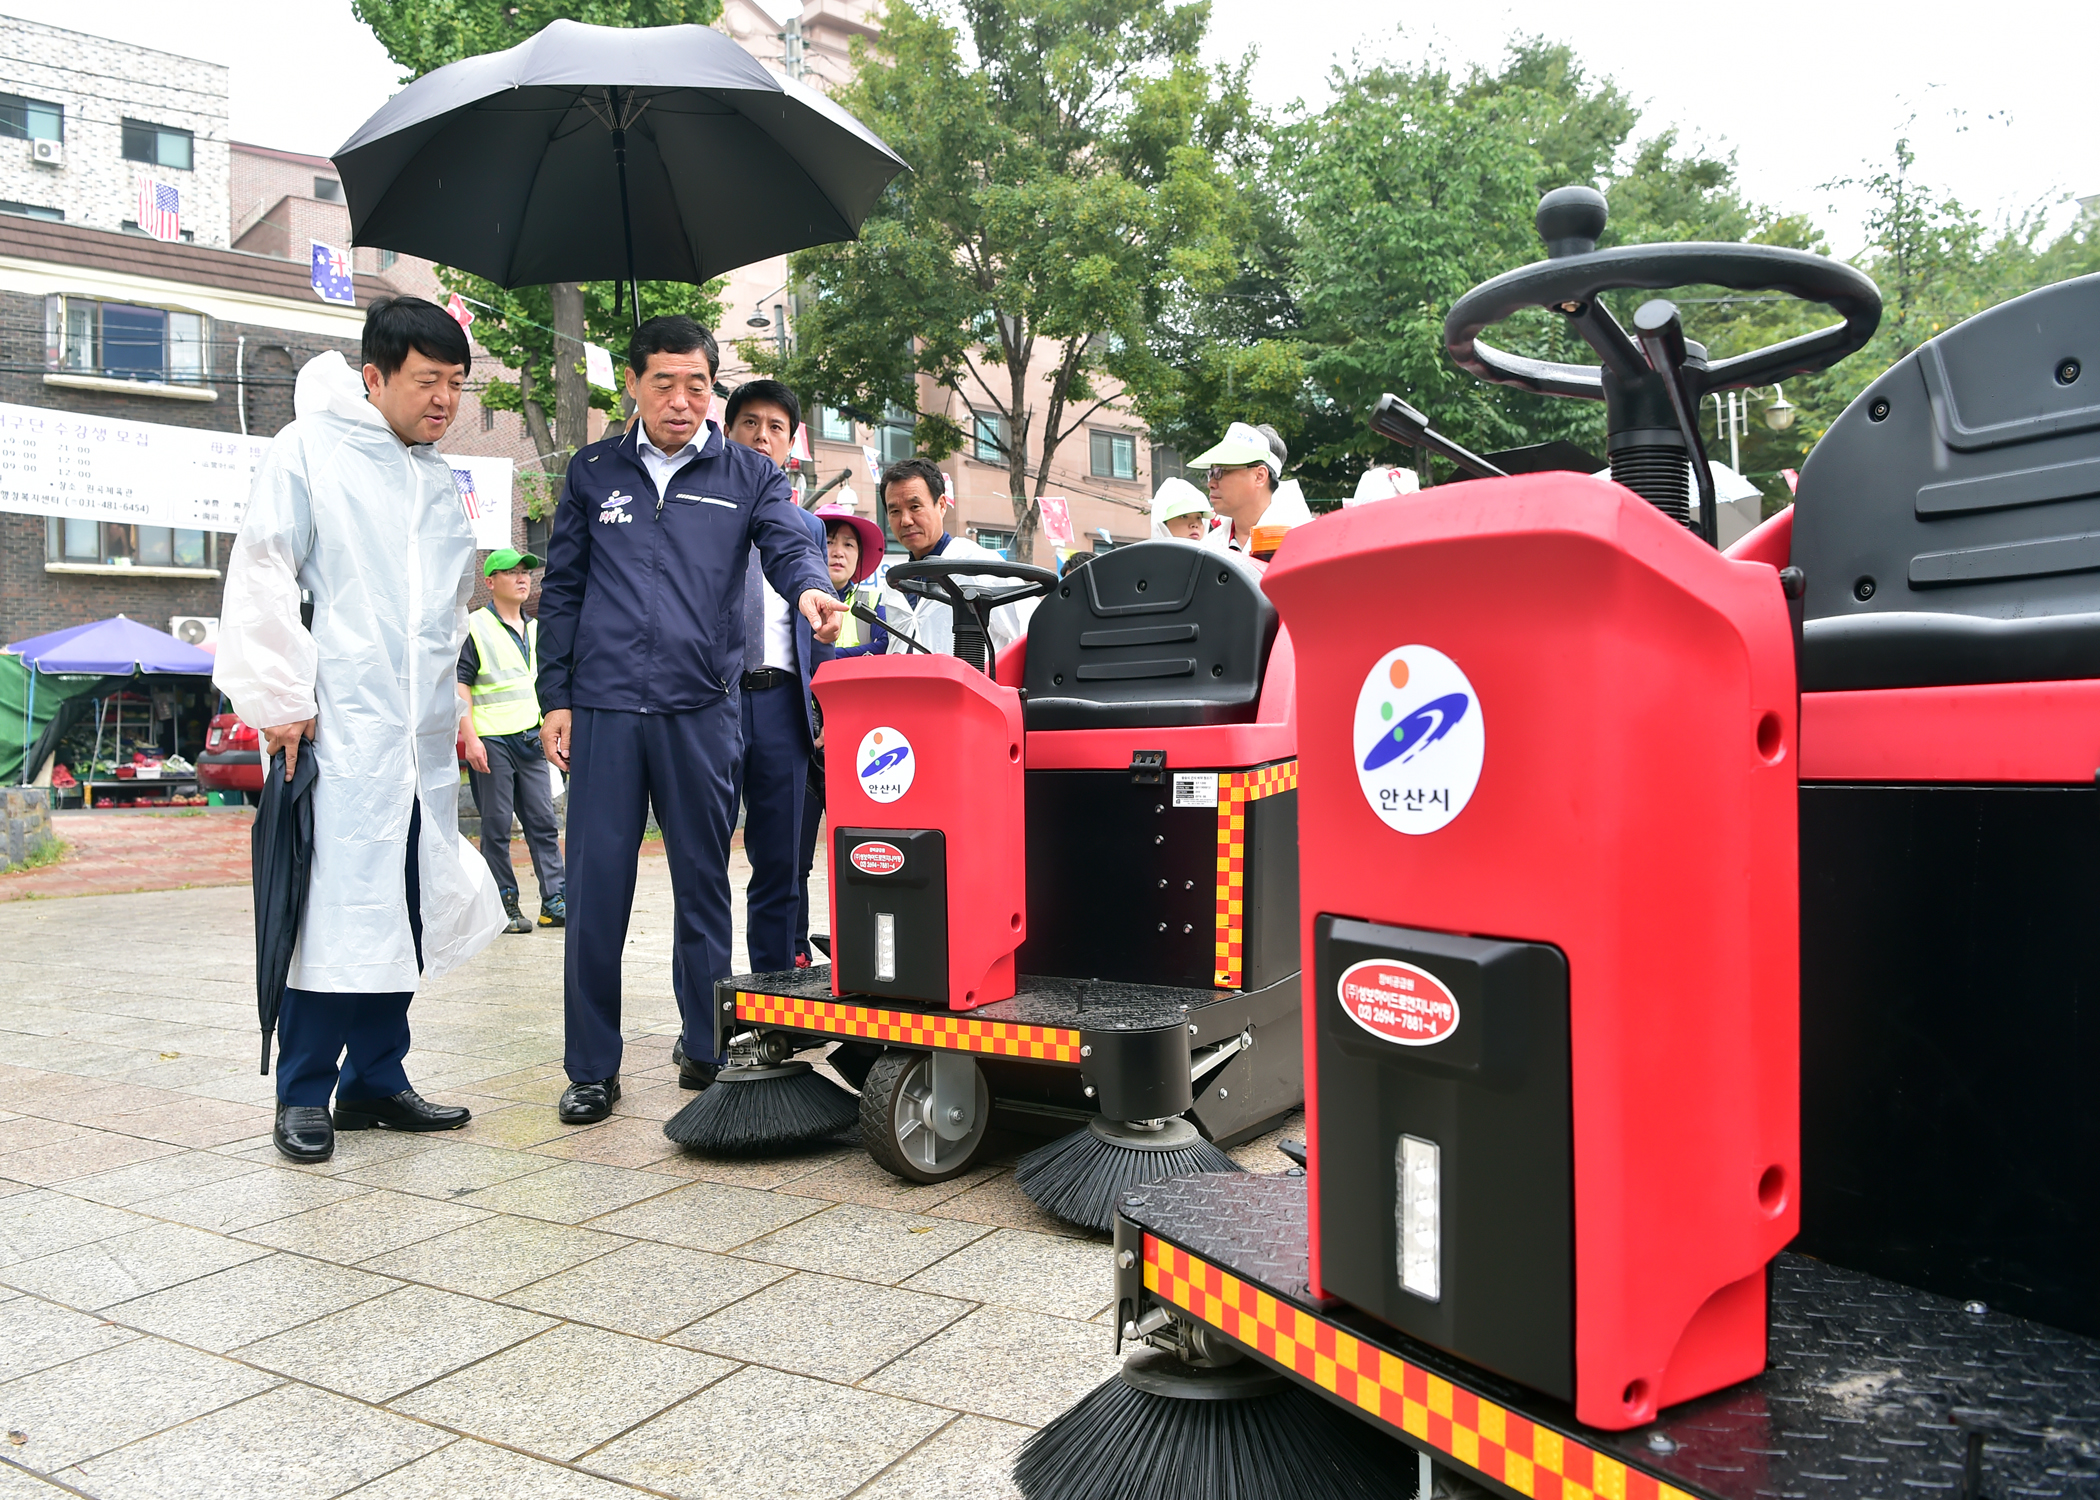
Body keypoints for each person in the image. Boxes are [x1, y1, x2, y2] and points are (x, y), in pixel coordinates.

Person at [215, 297, 504, 1164]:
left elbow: (446, 610)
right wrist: (280, 698)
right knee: (332, 909)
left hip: (414, 735)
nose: (444, 400)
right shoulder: (309, 450)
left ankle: (376, 1078)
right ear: (374, 376)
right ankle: (303, 1093)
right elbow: (264, 567)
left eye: (456, 384)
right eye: (428, 381)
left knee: (404, 902)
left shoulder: (434, 477)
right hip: (334, 726)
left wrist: (451, 706)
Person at [535, 318, 845, 1125]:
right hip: (604, 709)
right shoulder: (592, 471)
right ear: (633, 384)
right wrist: (555, 698)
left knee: (703, 885)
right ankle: (591, 1067)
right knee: (596, 889)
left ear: (713, 387)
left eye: (698, 384)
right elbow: (561, 590)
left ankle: (705, 1044)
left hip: (703, 708)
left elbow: (788, 545)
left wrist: (811, 587)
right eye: (665, 382)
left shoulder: (746, 472)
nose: (682, 400)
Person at [720, 379, 828, 977]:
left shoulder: (805, 528)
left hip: (784, 707)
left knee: (782, 862)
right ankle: (705, 1013)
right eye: (750, 424)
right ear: (727, 431)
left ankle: (772, 1002)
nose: (763, 438)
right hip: (716, 700)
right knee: (704, 858)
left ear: (792, 444)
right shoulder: (701, 512)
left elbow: (816, 626)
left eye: (776, 429)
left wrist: (822, 712)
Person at [795, 503, 887, 962]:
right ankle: (795, 950)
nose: (836, 551)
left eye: (848, 544)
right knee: (794, 858)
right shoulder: (789, 604)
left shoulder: (875, 607)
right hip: (803, 742)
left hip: (860, 751)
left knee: (866, 854)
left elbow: (883, 655)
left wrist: (829, 659)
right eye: (829, 540)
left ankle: (860, 945)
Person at [457, 547, 566, 935]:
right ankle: (503, 903)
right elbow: (461, 685)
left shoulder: (537, 629)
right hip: (491, 740)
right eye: (511, 572)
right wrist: (470, 737)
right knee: (497, 826)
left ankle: (555, 901)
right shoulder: (473, 627)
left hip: (530, 738)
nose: (523, 578)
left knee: (543, 822)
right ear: (490, 582)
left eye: (526, 572)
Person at [875, 455, 1037, 659]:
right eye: (895, 511)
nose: (905, 520)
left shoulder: (977, 564)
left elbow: (1032, 628)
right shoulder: (896, 583)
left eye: (915, 507)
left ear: (941, 505)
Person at [1192, 420, 1315, 555]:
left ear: (1259, 476)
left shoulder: (1305, 544)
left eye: (1220, 471)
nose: (1211, 483)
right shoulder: (1208, 547)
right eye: (1211, 473)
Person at [1150, 475, 1213, 541]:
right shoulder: (1145, 551)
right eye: (1184, 517)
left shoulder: (1218, 550)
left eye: (1199, 518)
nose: (1195, 524)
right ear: (1163, 524)